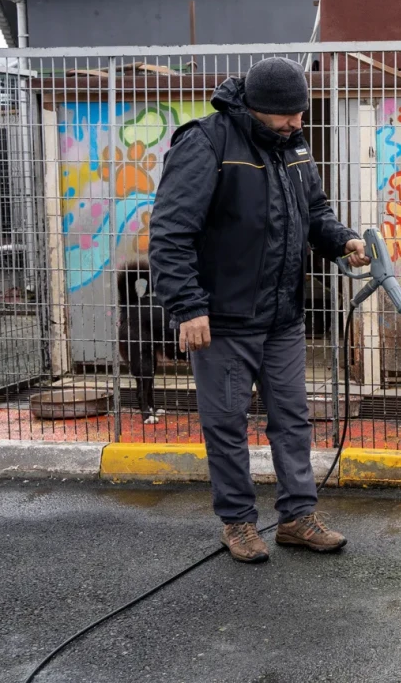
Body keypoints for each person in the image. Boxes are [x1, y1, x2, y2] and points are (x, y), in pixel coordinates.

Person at [149, 57, 370, 564]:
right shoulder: (206, 143)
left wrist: (343, 242)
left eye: (300, 113)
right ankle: (238, 523)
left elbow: (314, 212)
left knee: (292, 419)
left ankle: (296, 517)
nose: (296, 123)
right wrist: (188, 307)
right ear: (253, 107)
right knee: (226, 424)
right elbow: (170, 232)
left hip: (282, 318)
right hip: (222, 320)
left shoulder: (291, 145)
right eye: (285, 115)